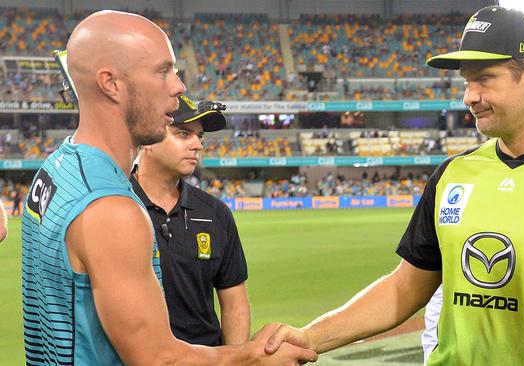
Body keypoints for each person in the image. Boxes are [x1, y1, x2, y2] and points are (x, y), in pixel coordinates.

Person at [261, 6, 524, 365]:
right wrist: (309, 337)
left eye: (483, 79)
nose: (469, 97)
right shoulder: (453, 174)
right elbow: (404, 288)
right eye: (466, 82)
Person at [21, 10, 316, 365]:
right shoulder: (111, 210)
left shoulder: (56, 168)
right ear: (110, 83)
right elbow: (158, 359)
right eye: (163, 71)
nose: (179, 86)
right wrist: (253, 357)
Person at [131, 95, 250, 347]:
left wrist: (235, 359)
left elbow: (234, 301)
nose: (197, 145)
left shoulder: (216, 213)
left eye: (200, 136)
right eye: (184, 134)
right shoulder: (115, 207)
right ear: (148, 139)